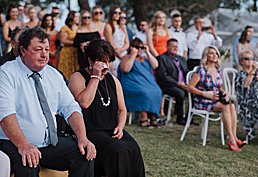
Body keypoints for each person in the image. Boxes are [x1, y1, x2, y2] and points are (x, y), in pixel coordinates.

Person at [0, 27, 95, 177]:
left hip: (48, 144)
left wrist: (83, 138)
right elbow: (5, 114)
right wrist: (24, 145)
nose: (45, 54)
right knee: (28, 163)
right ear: (23, 51)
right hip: (14, 142)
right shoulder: (6, 73)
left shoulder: (53, 74)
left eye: (46, 48)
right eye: (38, 49)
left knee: (83, 153)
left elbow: (71, 108)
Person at [67, 39, 145, 177]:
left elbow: (122, 109)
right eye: (102, 62)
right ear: (91, 61)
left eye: (108, 62)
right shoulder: (78, 77)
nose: (106, 66)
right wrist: (95, 76)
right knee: (117, 150)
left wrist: (120, 127)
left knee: (133, 148)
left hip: (111, 129)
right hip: (89, 130)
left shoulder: (113, 80)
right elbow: (84, 102)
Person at [188, 46, 245, 151]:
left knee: (231, 105)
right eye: (211, 53)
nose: (214, 55)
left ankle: (234, 137)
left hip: (215, 99)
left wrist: (224, 92)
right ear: (206, 56)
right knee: (225, 107)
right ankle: (232, 139)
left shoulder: (218, 70)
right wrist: (204, 94)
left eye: (216, 53)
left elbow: (219, 87)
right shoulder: (201, 70)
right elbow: (190, 87)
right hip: (202, 100)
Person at [119, 38, 162, 128]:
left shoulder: (145, 58)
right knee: (144, 92)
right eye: (137, 47)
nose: (139, 49)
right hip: (131, 83)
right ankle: (144, 117)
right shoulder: (126, 58)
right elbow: (126, 69)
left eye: (141, 47)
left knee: (157, 91)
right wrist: (133, 56)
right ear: (132, 48)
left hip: (147, 83)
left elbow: (155, 65)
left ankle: (153, 117)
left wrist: (148, 52)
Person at [234, 51, 258, 142]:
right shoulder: (240, 75)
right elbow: (245, 86)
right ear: (241, 62)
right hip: (249, 103)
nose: (250, 61)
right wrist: (252, 71)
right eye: (246, 59)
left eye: (252, 59)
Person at [155, 38, 188, 124]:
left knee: (194, 93)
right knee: (180, 93)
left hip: (183, 84)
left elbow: (187, 72)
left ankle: (188, 117)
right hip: (168, 85)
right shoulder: (161, 58)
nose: (175, 48)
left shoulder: (182, 59)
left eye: (176, 47)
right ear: (167, 47)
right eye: (173, 46)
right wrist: (177, 83)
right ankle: (179, 117)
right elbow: (163, 76)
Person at [58, 11, 79, 78]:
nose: (77, 18)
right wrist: (75, 43)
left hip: (76, 51)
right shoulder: (65, 28)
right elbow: (63, 40)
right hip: (67, 51)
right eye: (76, 16)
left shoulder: (79, 27)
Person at [110, 11, 129, 76]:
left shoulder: (125, 28)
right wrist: (118, 54)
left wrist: (123, 56)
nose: (123, 19)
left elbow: (127, 43)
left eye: (125, 17)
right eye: (121, 17)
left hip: (124, 55)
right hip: (115, 55)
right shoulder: (112, 27)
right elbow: (111, 43)